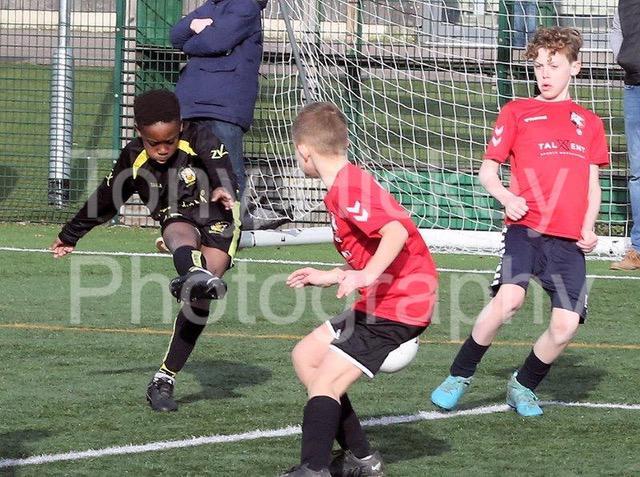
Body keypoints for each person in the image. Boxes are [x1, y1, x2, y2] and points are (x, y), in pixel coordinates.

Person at [430, 27, 609, 417]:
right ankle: (459, 375)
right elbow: (487, 172)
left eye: (554, 66)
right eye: (539, 66)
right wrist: (508, 198)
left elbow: (592, 184)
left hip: (569, 240)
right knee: (509, 300)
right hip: (525, 230)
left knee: (565, 326)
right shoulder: (516, 112)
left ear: (575, 67)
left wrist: (589, 226)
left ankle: (523, 385)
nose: (544, 74)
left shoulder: (590, 122)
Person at [50, 89, 240, 412]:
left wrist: (224, 186)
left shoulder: (199, 137)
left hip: (218, 217)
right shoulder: (134, 157)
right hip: (178, 219)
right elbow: (106, 198)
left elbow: (218, 162)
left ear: (181, 126)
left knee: (201, 298)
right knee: (177, 229)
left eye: (170, 141)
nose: (163, 149)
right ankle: (192, 274)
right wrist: (71, 234)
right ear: (139, 131)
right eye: (154, 143)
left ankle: (163, 376)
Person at [280, 102, 439, 476]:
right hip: (385, 299)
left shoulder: (350, 187)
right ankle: (362, 459)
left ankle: (314, 469)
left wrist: (366, 275)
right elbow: (371, 249)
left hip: (402, 303)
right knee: (306, 357)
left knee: (325, 381)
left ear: (304, 151)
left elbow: (395, 232)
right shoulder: (343, 186)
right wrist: (332, 275)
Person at [169, 0, 267, 198]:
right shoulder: (212, 5)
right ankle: (194, 215)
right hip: (192, 105)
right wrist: (192, 25)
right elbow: (176, 36)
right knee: (189, 174)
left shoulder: (246, 6)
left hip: (224, 109)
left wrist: (191, 42)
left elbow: (214, 41)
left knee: (227, 174)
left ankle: (232, 216)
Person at [609, 1, 640, 270]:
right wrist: (627, 59)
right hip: (635, 88)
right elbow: (616, 29)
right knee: (638, 172)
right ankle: (638, 249)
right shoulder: (626, 3)